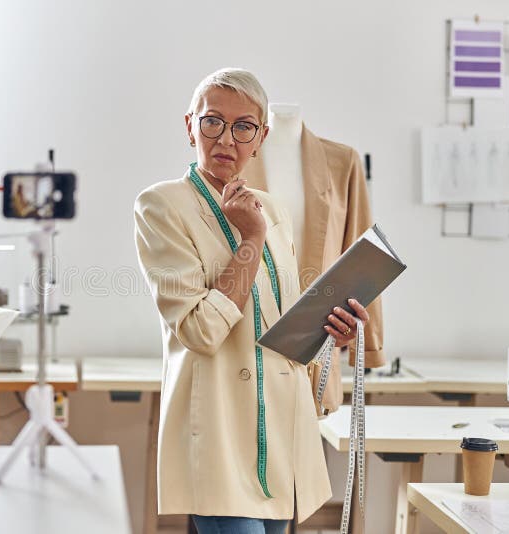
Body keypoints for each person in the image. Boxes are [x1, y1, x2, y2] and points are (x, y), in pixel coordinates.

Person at [134, 68, 370, 533]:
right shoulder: (160, 206)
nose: (227, 138)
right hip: (219, 434)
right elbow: (201, 330)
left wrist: (329, 332)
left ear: (260, 137)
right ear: (190, 126)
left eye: (243, 127)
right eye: (212, 122)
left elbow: (283, 326)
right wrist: (252, 238)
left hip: (280, 433)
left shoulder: (270, 206)